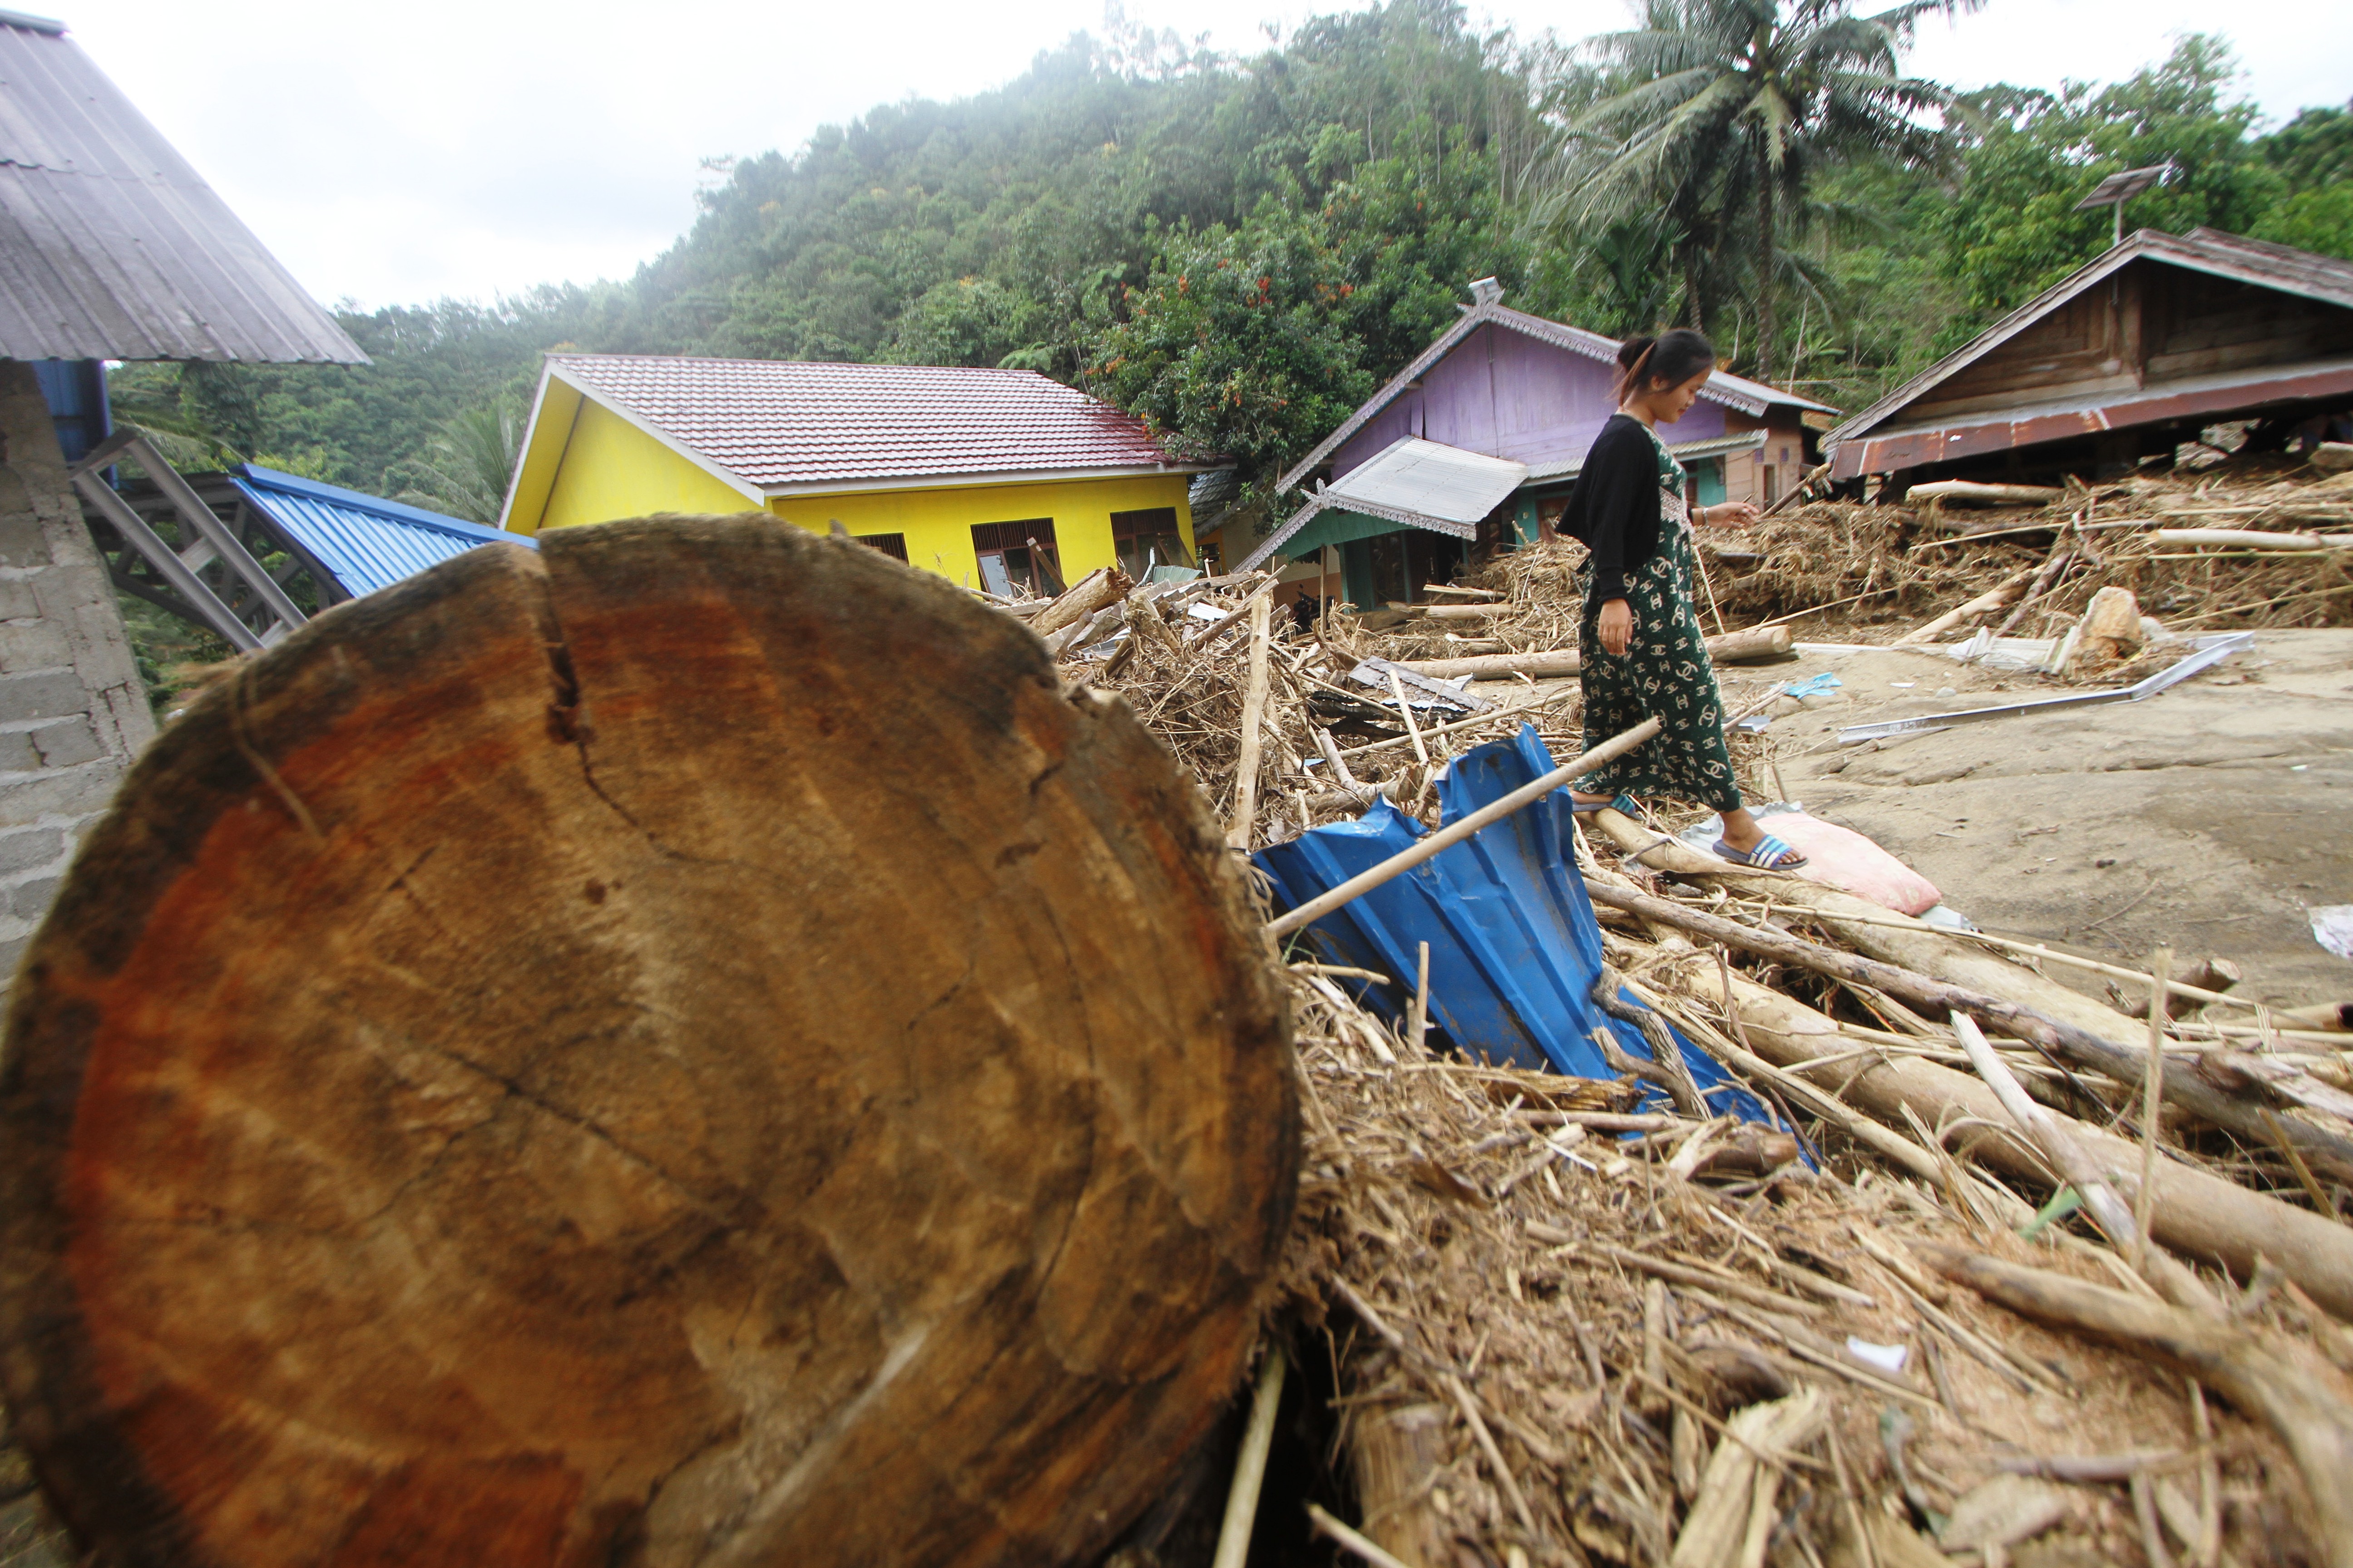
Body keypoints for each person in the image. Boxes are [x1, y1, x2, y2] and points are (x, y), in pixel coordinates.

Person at [1557, 329, 1807, 869]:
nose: (1692, 400)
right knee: (1692, 703)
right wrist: (1614, 597)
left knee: (1620, 700)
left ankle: (1600, 785)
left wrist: (1705, 516)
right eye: (1690, 388)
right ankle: (1737, 830)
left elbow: (1643, 517)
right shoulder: (1626, 437)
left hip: (1649, 598)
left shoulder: (1635, 435)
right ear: (1658, 379)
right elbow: (1607, 524)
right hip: (1646, 605)